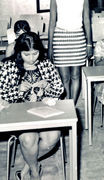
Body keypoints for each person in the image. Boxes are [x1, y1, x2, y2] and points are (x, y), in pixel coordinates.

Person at [0, 32, 64, 180]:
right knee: (29, 140)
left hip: (43, 111)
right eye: (26, 54)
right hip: (19, 113)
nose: (31, 58)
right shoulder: (8, 66)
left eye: (35, 53)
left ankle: (26, 168)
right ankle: (35, 172)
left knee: (53, 137)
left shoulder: (45, 63)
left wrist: (47, 86)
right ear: (19, 52)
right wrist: (17, 90)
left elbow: (60, 89)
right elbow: (2, 94)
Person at [48, 0, 92, 105]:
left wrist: (89, 43)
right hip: (60, 38)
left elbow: (86, 21)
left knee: (76, 75)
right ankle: (67, 103)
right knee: (64, 77)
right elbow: (51, 23)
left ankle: (72, 104)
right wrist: (50, 47)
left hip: (78, 38)